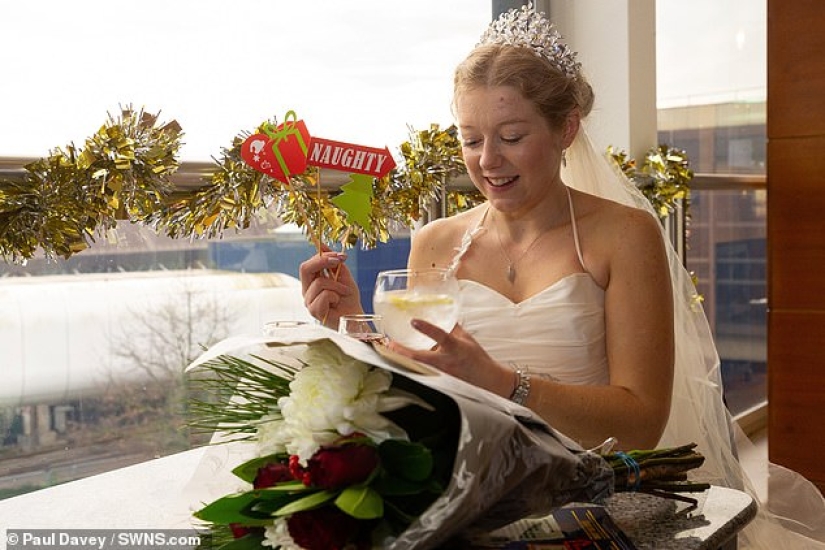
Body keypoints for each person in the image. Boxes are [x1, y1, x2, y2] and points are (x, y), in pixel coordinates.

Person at [300, 5, 825, 548]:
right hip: (471, 500)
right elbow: (421, 386)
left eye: (511, 136)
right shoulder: (435, 241)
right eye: (471, 139)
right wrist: (354, 322)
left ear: (566, 128)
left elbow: (642, 424)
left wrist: (504, 383)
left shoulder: (625, 234)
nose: (487, 160)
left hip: (596, 500)